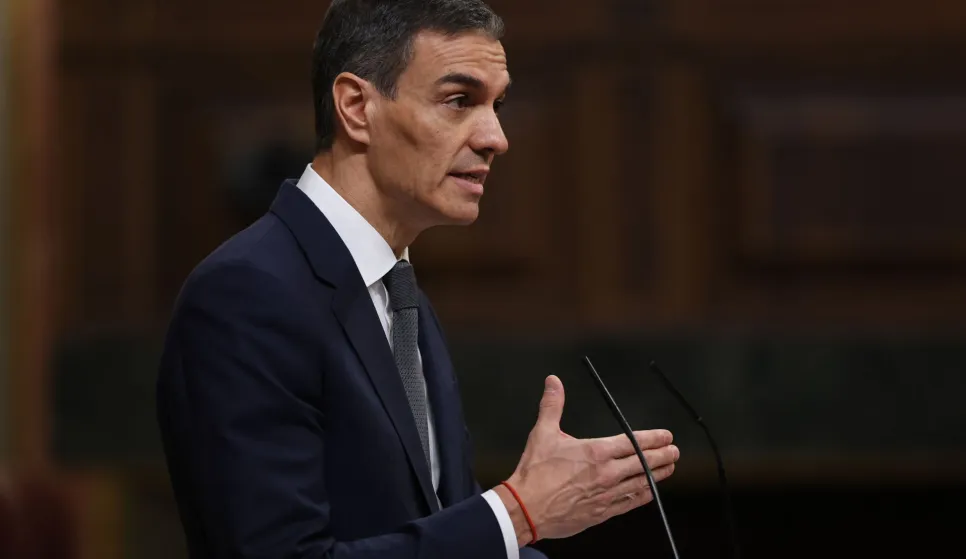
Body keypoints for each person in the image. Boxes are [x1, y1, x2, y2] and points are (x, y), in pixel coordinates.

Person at [155, 1, 680, 558]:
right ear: (356, 107)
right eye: (459, 101)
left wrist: (513, 523)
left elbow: (436, 532)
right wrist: (517, 513)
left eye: (497, 104)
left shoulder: (398, 294)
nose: (496, 137)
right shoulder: (246, 294)